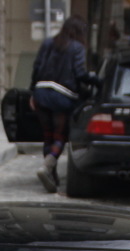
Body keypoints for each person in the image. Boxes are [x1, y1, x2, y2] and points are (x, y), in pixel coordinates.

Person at [30, 15, 89, 192]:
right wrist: (91, 86)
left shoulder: (48, 43)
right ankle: (47, 166)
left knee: (47, 136)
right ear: (79, 33)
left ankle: (52, 175)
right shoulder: (77, 48)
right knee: (60, 136)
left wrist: (32, 92)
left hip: (41, 93)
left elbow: (36, 68)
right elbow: (79, 74)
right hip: (62, 95)